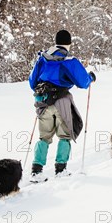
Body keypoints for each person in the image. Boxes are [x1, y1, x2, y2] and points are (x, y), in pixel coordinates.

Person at [28, 30, 96, 182]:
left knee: (44, 137)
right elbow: (82, 82)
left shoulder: (42, 58)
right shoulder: (69, 60)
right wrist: (90, 78)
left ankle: (36, 171)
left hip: (43, 102)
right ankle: (60, 169)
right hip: (61, 102)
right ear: (69, 43)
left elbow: (32, 82)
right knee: (64, 135)